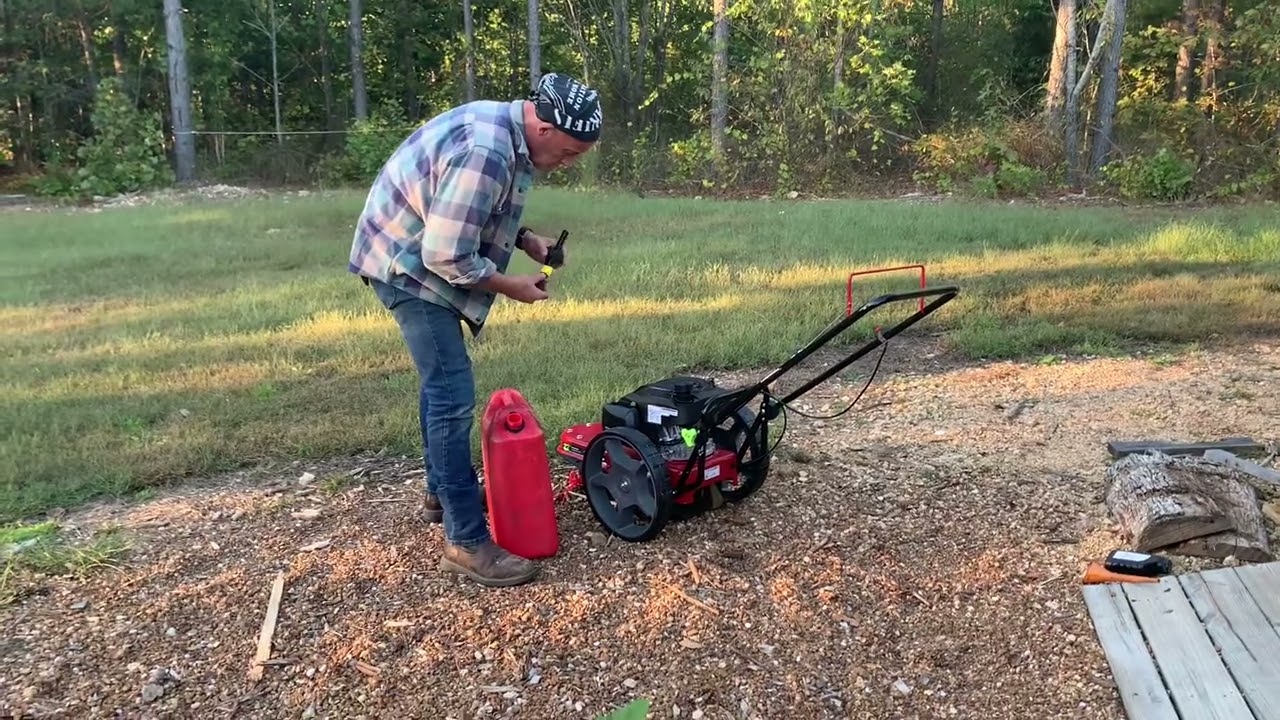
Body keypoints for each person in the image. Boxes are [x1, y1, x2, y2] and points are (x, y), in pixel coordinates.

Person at [347, 73, 602, 587]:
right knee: (450, 394)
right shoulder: (488, 150)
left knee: (440, 388)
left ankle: (443, 492)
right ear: (544, 126)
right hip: (406, 266)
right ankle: (464, 540)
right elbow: (443, 253)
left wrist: (526, 239)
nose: (570, 163)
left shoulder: (508, 135)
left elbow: (466, 209)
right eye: (570, 151)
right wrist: (512, 285)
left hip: (415, 252)